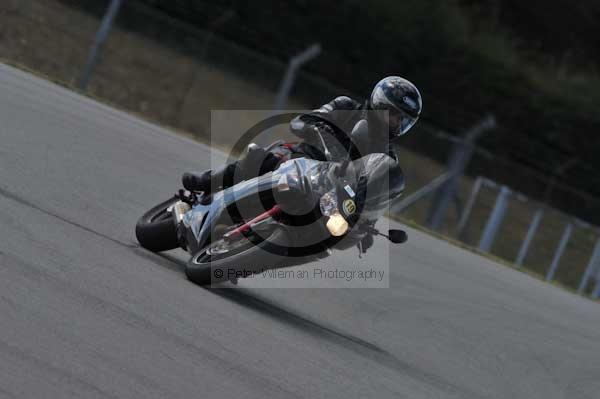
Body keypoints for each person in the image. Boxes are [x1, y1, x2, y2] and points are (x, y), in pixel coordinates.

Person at [181, 76, 422, 251]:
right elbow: (301, 121)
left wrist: (365, 224)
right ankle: (207, 180)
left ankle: (250, 254)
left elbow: (373, 193)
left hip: (328, 192)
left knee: (324, 238)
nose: (396, 124)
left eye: (403, 121)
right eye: (394, 115)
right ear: (378, 103)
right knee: (262, 159)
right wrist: (317, 129)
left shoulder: (387, 157)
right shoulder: (346, 107)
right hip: (298, 160)